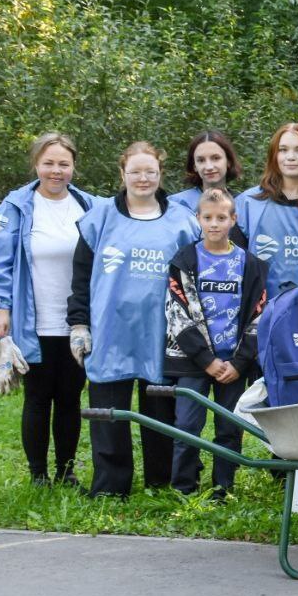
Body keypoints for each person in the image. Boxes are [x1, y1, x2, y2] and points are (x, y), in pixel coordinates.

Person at [67, 141, 199, 497]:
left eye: (150, 172)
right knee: (109, 413)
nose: (143, 178)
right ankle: (111, 487)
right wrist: (79, 323)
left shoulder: (183, 221)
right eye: (136, 171)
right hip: (111, 332)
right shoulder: (100, 218)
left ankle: (161, 482)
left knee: (160, 413)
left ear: (160, 174)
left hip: (163, 334)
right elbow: (80, 278)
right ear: (122, 173)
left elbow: (194, 279)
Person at [0, 133, 98, 485]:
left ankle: (66, 471)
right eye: (49, 163)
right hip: (34, 320)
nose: (56, 171)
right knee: (38, 396)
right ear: (36, 165)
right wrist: (2, 310)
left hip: (77, 322)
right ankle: (38, 475)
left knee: (70, 397)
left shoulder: (90, 206)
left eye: (64, 164)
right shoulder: (16, 207)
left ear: (74, 166)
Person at [164, 189, 268, 499]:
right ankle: (183, 488)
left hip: (233, 365)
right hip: (193, 361)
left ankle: (224, 488)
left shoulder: (250, 264)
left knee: (228, 427)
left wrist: (239, 363)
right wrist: (206, 359)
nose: (214, 224)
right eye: (207, 218)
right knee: (186, 425)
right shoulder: (184, 261)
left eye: (221, 218)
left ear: (233, 220)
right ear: (198, 219)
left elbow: (258, 316)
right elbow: (176, 314)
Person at [235, 123, 298, 299]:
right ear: (274, 155)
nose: (291, 157)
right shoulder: (247, 203)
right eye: (283, 150)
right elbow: (230, 264)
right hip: (261, 312)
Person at [168, 130, 244, 214]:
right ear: (194, 166)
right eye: (201, 160)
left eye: (216, 158)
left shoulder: (242, 205)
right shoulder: (178, 205)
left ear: (228, 161)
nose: (209, 167)